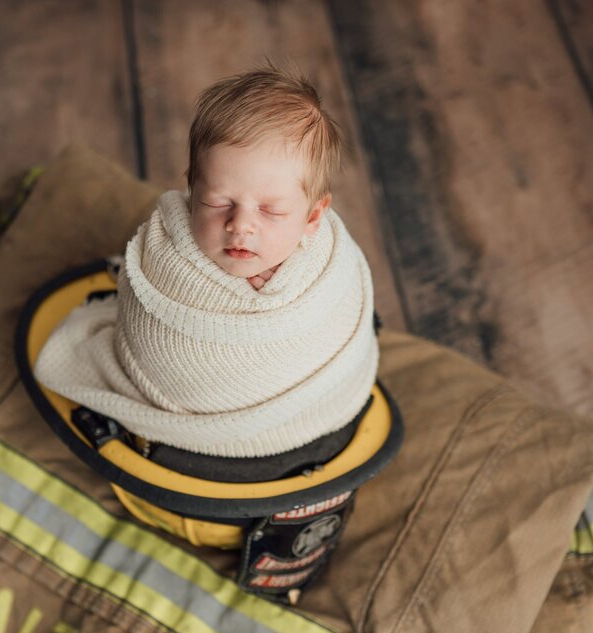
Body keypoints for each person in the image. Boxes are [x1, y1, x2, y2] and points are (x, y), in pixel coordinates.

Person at [34, 63, 378, 460]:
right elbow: (147, 338)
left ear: (313, 217)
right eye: (218, 202)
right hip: (183, 396)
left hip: (301, 416)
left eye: (271, 211)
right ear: (192, 188)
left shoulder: (327, 263)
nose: (240, 225)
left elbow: (343, 316)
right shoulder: (162, 253)